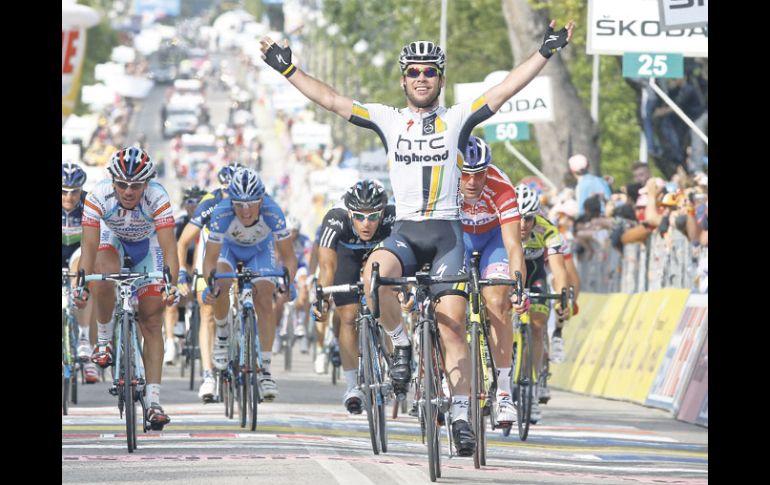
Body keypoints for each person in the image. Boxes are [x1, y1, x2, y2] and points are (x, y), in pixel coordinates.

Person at [260, 18, 574, 456]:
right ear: (403, 78)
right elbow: (332, 100)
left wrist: (545, 51)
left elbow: (504, 90)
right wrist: (289, 71)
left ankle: (462, 416)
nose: (422, 78)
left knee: (453, 328)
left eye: (430, 71)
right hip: (406, 230)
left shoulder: (457, 118)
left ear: (441, 79)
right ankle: (403, 345)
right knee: (373, 274)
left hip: (447, 233)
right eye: (414, 71)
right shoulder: (388, 120)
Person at [73, 147, 180, 429]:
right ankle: (105, 341)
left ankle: (154, 401)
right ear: (112, 181)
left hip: (149, 247)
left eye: (135, 185)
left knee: (153, 319)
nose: (128, 191)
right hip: (113, 240)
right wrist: (82, 283)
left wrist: (172, 285)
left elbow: (170, 249)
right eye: (122, 184)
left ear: (147, 183)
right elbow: (89, 246)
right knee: (104, 271)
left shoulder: (158, 197)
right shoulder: (98, 196)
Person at [201, 168, 297, 401]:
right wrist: (210, 282)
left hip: (259, 252)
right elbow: (210, 260)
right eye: (239, 204)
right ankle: (223, 335)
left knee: (265, 298)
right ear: (230, 202)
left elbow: (289, 256)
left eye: (252, 204)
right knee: (221, 284)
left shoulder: (273, 212)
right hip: (228, 251)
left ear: (261, 200)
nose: (245, 211)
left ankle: (264, 370)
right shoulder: (222, 213)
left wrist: (288, 282)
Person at [458, 136, 527, 426]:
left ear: (489, 170)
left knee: (498, 301)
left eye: (479, 174)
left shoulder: (501, 187)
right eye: (466, 174)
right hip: (457, 239)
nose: (472, 182)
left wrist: (518, 287)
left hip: (493, 241)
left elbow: (513, 245)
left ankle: (503, 392)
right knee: (449, 304)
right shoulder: (443, 183)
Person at [312, 180, 396, 414]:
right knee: (348, 317)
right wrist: (322, 299)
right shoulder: (335, 218)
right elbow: (327, 266)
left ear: (383, 212)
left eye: (372, 217)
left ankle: (394, 362)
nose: (365, 223)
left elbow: (406, 260)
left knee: (385, 300)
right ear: (349, 212)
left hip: (381, 252)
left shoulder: (393, 217)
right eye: (358, 216)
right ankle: (352, 386)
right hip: (347, 254)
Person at [175, 164, 242, 401]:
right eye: (226, 191)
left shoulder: (256, 201)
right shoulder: (210, 202)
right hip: (212, 254)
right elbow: (183, 241)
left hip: (242, 252)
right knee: (207, 313)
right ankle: (208, 375)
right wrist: (183, 272)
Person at [515, 184, 570, 423]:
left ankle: (533, 388)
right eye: (518, 218)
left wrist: (562, 297)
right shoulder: (501, 226)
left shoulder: (547, 230)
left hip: (536, 274)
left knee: (537, 325)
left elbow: (558, 269)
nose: (523, 225)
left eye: (528, 218)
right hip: (508, 272)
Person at [62, 162, 99, 384]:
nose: (69, 197)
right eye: (64, 191)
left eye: (74, 192)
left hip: (78, 249)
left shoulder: (89, 203)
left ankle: (85, 339)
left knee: (82, 273)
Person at [163, 185, 207, 366]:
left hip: (204, 262)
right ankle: (171, 341)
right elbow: (173, 250)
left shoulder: (211, 220)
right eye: (190, 201)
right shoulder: (180, 224)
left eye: (199, 202)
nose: (194, 206)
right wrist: (182, 272)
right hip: (183, 261)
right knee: (173, 294)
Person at [568, 154, 612, 219]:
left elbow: (581, 211)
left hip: (592, 222)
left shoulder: (581, 186)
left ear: (572, 170)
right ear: (588, 166)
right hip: (607, 219)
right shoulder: (601, 181)